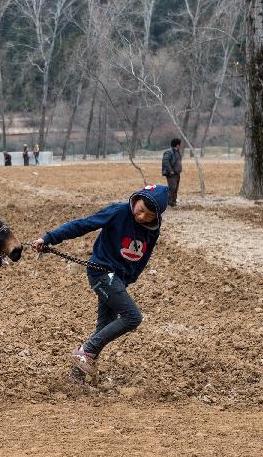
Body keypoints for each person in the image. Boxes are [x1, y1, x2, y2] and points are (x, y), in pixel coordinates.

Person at [32, 184, 169, 377]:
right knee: (133, 317)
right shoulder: (119, 211)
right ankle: (86, 350)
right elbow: (84, 224)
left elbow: (144, 256)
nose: (141, 217)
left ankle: (76, 375)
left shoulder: (153, 229)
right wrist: (49, 238)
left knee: (105, 327)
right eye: (139, 211)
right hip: (101, 273)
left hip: (118, 279)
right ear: (136, 201)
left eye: (148, 215)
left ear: (156, 217)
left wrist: (128, 279)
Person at [161, 138, 182, 207]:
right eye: (179, 144)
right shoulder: (169, 152)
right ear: (177, 145)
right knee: (172, 188)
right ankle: (169, 202)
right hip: (171, 174)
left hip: (177, 173)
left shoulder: (177, 151)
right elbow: (165, 162)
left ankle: (173, 201)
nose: (180, 146)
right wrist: (171, 171)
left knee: (176, 188)